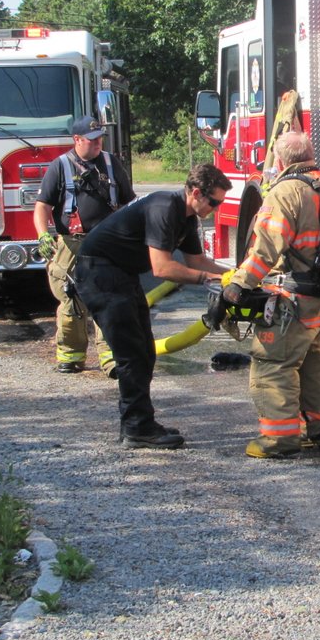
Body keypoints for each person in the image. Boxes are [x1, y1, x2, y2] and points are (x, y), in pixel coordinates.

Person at [73, 164, 232, 449]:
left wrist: (241, 274)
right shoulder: (165, 207)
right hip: (100, 274)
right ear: (196, 192)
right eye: (214, 202)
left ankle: (140, 423)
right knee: (131, 354)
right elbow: (162, 268)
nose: (216, 208)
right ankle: (136, 428)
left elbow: (197, 262)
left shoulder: (187, 218)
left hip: (121, 274)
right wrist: (209, 279)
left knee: (144, 351)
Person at [222, 132, 320, 459]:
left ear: (280, 161)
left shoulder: (285, 192)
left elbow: (265, 248)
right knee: (318, 370)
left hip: (294, 304)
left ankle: (279, 440)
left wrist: (238, 285)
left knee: (272, 365)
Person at [34, 116, 134, 375]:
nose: (98, 143)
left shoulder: (112, 165)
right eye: (92, 140)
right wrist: (43, 234)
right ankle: (71, 356)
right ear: (76, 140)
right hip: (71, 244)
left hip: (107, 243)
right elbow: (42, 206)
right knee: (70, 298)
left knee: (108, 299)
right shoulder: (60, 167)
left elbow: (129, 203)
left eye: (100, 138)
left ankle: (111, 358)